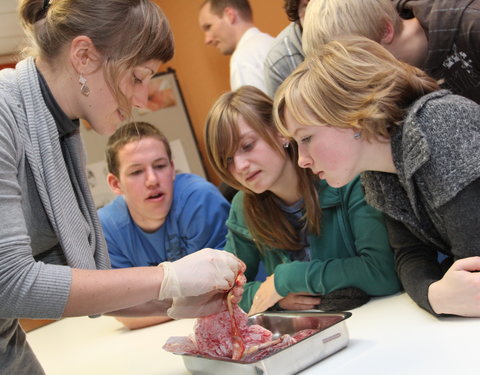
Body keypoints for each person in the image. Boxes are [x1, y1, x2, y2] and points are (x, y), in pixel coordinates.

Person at [0, 1, 244, 373]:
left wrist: (174, 302)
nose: (143, 101)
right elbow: (10, 282)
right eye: (137, 77)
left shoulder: (58, 130)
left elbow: (63, 273)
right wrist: (168, 276)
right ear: (83, 56)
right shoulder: (6, 116)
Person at [273, 35, 480, 317]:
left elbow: (473, 273)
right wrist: (433, 294)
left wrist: (438, 293)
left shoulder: (438, 125)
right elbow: (408, 256)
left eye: (306, 138)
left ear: (352, 115)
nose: (302, 160)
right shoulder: (377, 173)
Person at [204, 85, 401, 315]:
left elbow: (383, 273)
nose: (239, 166)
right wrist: (276, 299)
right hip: (312, 328)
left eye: (248, 146)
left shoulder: (342, 175)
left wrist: (286, 279)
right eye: (227, 159)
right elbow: (223, 293)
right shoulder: (243, 206)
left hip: (383, 317)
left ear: (280, 132)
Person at [99, 121, 231, 330]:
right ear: (116, 184)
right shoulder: (107, 228)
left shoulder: (200, 200)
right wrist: (190, 301)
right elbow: (125, 314)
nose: (152, 180)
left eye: (159, 166)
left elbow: (220, 293)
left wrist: (149, 304)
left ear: (172, 169)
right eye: (136, 172)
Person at [302, 0, 480, 104]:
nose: (355, 77)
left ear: (386, 30)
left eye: (358, 60)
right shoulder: (390, 83)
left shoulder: (472, 24)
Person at [198, 0, 274, 93]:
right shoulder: (272, 43)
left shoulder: (242, 59)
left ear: (229, 15)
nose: (207, 40)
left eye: (208, 27)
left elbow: (252, 108)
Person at [263, 0, 309, 98]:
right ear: (296, 10)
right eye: (306, 6)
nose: (316, 12)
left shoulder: (347, 33)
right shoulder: (279, 60)